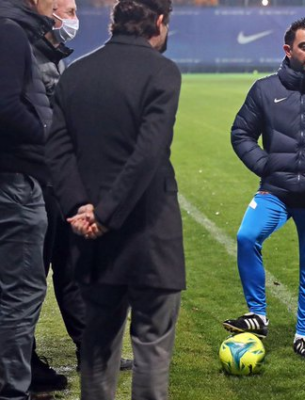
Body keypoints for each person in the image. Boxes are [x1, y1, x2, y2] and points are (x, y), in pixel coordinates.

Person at [45, 0, 184, 398]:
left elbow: (56, 148)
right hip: (150, 236)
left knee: (96, 353)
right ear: (159, 22)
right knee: (152, 354)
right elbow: (148, 153)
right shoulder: (163, 71)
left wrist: (79, 209)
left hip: (92, 242)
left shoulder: (77, 74)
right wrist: (106, 213)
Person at [225, 18, 305, 361]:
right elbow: (241, 133)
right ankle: (258, 315)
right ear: (288, 50)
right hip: (276, 192)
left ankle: (303, 335)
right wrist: (265, 165)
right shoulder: (265, 90)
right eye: (304, 46)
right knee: (246, 237)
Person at [30, 0, 133, 392]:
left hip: (60, 182)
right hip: (35, 182)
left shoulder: (54, 52)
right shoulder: (25, 50)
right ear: (44, 8)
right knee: (29, 278)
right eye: (67, 9)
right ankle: (23, 359)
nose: (74, 17)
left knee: (74, 269)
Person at [0, 0, 53, 398]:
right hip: (14, 179)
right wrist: (47, 133)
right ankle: (13, 391)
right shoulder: (9, 32)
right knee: (20, 293)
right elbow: (6, 107)